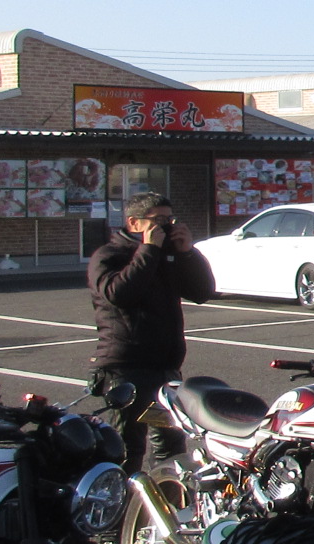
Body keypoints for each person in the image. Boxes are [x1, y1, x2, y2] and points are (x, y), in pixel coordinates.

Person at [87, 191, 217, 473]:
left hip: (164, 370)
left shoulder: (167, 254)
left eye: (170, 220)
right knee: (126, 449)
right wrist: (148, 250)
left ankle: (165, 498)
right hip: (126, 370)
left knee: (170, 448)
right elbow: (119, 294)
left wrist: (187, 253)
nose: (166, 227)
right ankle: (120, 499)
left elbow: (201, 292)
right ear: (134, 223)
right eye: (158, 220)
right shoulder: (109, 256)